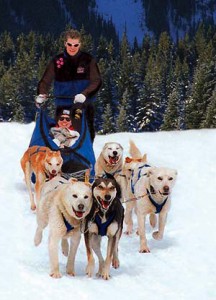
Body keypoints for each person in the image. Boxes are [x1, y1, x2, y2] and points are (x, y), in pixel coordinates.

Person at [35, 28, 102, 142]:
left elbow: (97, 81)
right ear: (65, 43)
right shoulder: (57, 61)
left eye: (76, 45)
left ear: (80, 44)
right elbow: (45, 81)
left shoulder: (88, 60)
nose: (72, 47)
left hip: (83, 106)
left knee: (85, 137)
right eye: (70, 44)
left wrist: (84, 94)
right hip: (62, 106)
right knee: (61, 138)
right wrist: (41, 94)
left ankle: (85, 158)